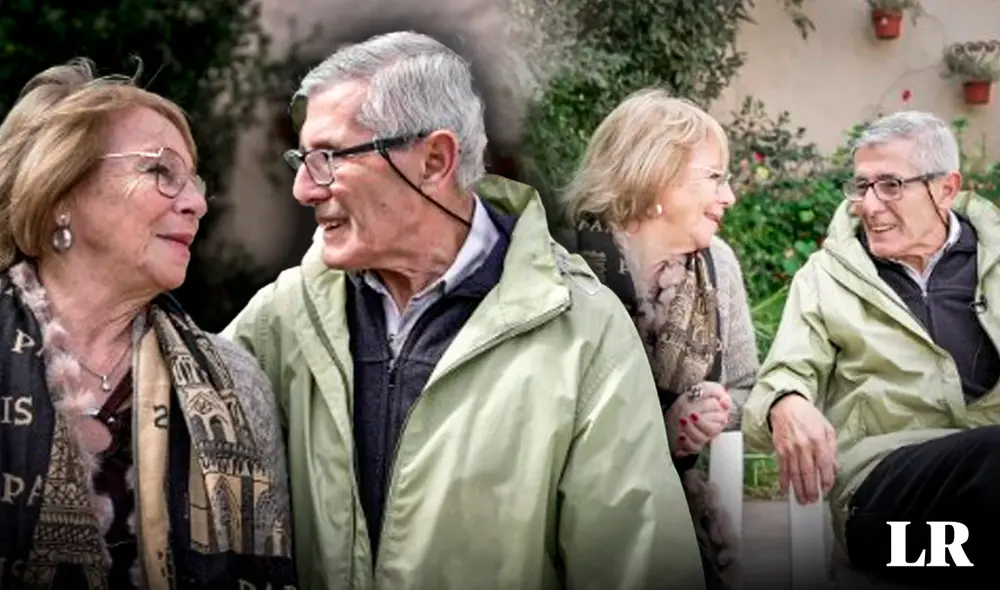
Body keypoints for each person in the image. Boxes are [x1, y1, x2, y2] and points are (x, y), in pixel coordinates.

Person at [223, 31, 705, 590]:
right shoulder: (286, 314)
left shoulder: (582, 332)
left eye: (328, 158)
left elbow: (638, 566)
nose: (305, 188)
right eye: (302, 159)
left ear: (433, 160)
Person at [0, 59, 297, 589]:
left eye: (195, 181)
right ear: (61, 190)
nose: (198, 204)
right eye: (161, 171)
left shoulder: (236, 382)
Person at [742, 110, 1000, 586]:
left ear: (945, 188)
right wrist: (785, 403)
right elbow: (780, 378)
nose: (870, 204)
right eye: (862, 186)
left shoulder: (994, 260)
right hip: (885, 499)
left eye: (890, 185)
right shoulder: (825, 278)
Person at [554, 89, 759, 590]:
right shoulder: (563, 265)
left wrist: (706, 410)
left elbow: (749, 387)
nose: (729, 196)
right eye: (714, 178)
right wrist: (652, 432)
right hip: (566, 517)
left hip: (679, 507)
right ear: (656, 176)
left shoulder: (717, 267)